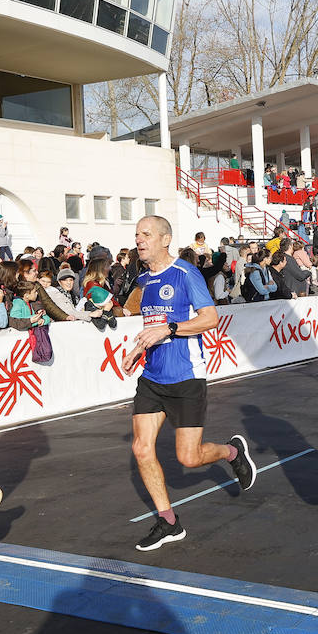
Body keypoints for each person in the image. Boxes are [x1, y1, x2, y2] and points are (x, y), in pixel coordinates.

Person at [120, 215, 257, 551]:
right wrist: (138, 349)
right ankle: (168, 522)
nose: (140, 240)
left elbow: (210, 318)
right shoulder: (144, 280)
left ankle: (232, 452)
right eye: (137, 234)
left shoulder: (185, 272)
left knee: (189, 458)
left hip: (186, 377)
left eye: (147, 234)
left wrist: (169, 329)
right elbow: (153, 323)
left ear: (165, 239)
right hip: (152, 377)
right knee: (141, 447)